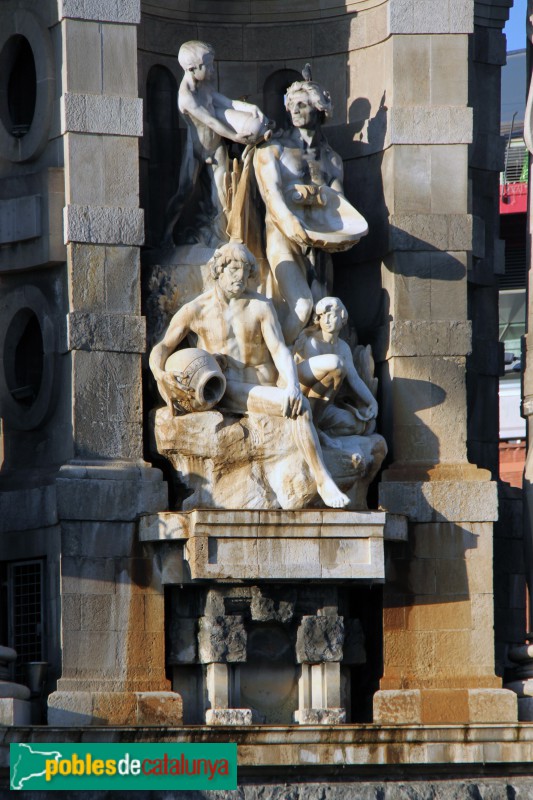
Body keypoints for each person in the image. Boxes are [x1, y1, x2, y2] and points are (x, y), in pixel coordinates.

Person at [149, 242, 350, 508]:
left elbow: (279, 349)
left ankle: (312, 430)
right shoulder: (196, 310)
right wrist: (159, 372)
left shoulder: (260, 305)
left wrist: (292, 384)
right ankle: (322, 479)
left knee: (334, 365)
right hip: (232, 388)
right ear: (218, 270)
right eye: (234, 270)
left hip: (271, 382)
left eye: (245, 272)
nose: (240, 278)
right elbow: (163, 347)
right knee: (298, 408)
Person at [254, 76, 364, 344]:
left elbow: (341, 207)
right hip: (284, 238)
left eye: (302, 104)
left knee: (320, 310)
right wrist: (291, 223)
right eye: (291, 104)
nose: (294, 110)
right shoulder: (274, 148)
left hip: (321, 247)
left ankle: (310, 361)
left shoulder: (332, 159)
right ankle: (276, 362)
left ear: (319, 109)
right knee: (302, 307)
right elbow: (271, 194)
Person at [162, 41, 272, 247]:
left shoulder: (205, 87)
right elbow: (211, 122)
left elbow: (227, 103)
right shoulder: (186, 96)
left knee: (221, 195)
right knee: (184, 192)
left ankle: (219, 238)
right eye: (209, 66)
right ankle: (166, 235)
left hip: (216, 147)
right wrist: (237, 137)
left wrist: (250, 108)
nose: (213, 70)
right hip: (196, 152)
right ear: (192, 69)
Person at [293, 297, 378, 447]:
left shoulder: (343, 347)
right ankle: (314, 428)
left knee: (359, 425)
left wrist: (372, 401)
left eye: (331, 316)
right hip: (309, 402)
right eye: (322, 316)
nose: (326, 320)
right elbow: (315, 384)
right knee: (336, 364)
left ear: (342, 318)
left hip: (327, 406)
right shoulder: (313, 343)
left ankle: (322, 432)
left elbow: (354, 379)